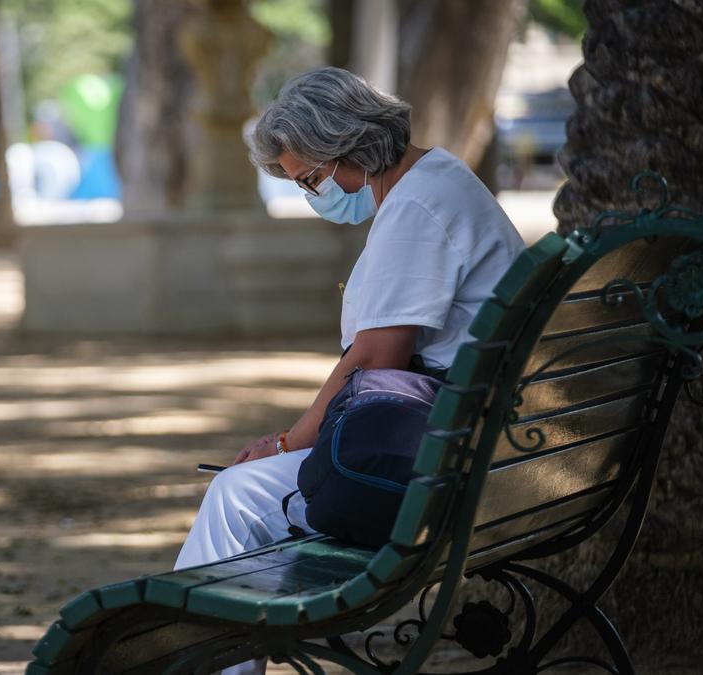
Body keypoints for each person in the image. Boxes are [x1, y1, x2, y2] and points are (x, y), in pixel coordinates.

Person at [174, 67, 525, 674]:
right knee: (254, 492)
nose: (313, 197)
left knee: (235, 497)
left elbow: (376, 357)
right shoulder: (434, 183)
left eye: (311, 179)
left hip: (450, 469)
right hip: (489, 446)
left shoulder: (418, 208)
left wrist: (285, 442)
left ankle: (200, 663)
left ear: (350, 147)